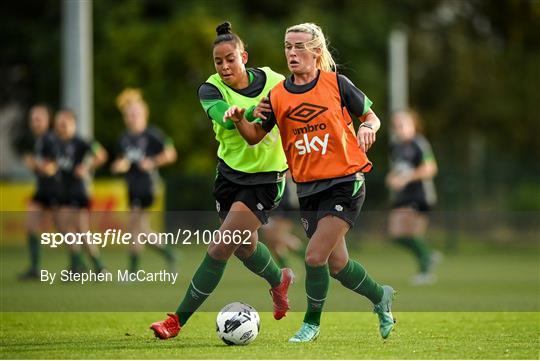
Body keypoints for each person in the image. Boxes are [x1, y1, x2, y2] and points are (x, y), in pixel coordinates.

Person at [225, 22, 395, 342]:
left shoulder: (337, 83)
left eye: (299, 46)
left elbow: (371, 116)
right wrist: (238, 121)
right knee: (338, 266)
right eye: (288, 46)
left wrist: (368, 127)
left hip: (345, 181)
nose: (292, 52)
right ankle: (380, 298)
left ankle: (311, 325)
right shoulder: (276, 95)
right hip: (308, 188)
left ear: (316, 51)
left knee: (314, 257)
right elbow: (253, 137)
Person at [150, 22, 293, 340]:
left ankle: (176, 320)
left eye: (231, 58)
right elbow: (221, 116)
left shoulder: (275, 81)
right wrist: (235, 114)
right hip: (228, 177)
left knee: (219, 247)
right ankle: (278, 280)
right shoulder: (209, 88)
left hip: (265, 180)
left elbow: (294, 111)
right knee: (244, 248)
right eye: (219, 61)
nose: (225, 66)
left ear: (244, 55)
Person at [112, 88, 178, 273]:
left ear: (144, 114)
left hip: (148, 184)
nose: (131, 117)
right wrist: (119, 165)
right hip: (132, 185)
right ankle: (169, 254)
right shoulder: (124, 138)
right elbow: (122, 160)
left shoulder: (152, 134)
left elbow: (171, 153)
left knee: (134, 226)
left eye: (135, 113)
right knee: (141, 230)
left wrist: (152, 162)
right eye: (129, 114)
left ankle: (133, 272)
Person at [386, 110, 440, 285]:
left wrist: (406, 179)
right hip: (403, 196)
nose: (399, 128)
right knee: (397, 234)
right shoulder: (396, 147)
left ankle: (425, 271)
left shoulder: (419, 143)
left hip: (420, 195)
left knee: (412, 233)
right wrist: (392, 178)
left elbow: (430, 168)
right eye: (396, 125)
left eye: (403, 124)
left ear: (413, 125)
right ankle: (427, 254)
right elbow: (398, 170)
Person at [53, 109, 108, 273]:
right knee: (64, 227)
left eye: (65, 124)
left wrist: (86, 166)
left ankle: (98, 266)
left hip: (78, 190)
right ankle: (78, 263)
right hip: (64, 190)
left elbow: (101, 154)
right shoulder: (56, 144)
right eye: (59, 124)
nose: (61, 127)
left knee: (80, 229)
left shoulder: (81, 141)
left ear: (73, 124)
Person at [19, 104, 59, 280]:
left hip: (55, 189)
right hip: (42, 190)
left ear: (48, 121)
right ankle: (35, 268)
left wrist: (34, 164)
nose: (35, 122)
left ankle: (86, 264)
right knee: (31, 224)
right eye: (33, 119)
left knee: (68, 229)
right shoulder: (40, 140)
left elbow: (53, 167)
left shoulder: (51, 139)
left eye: (39, 118)